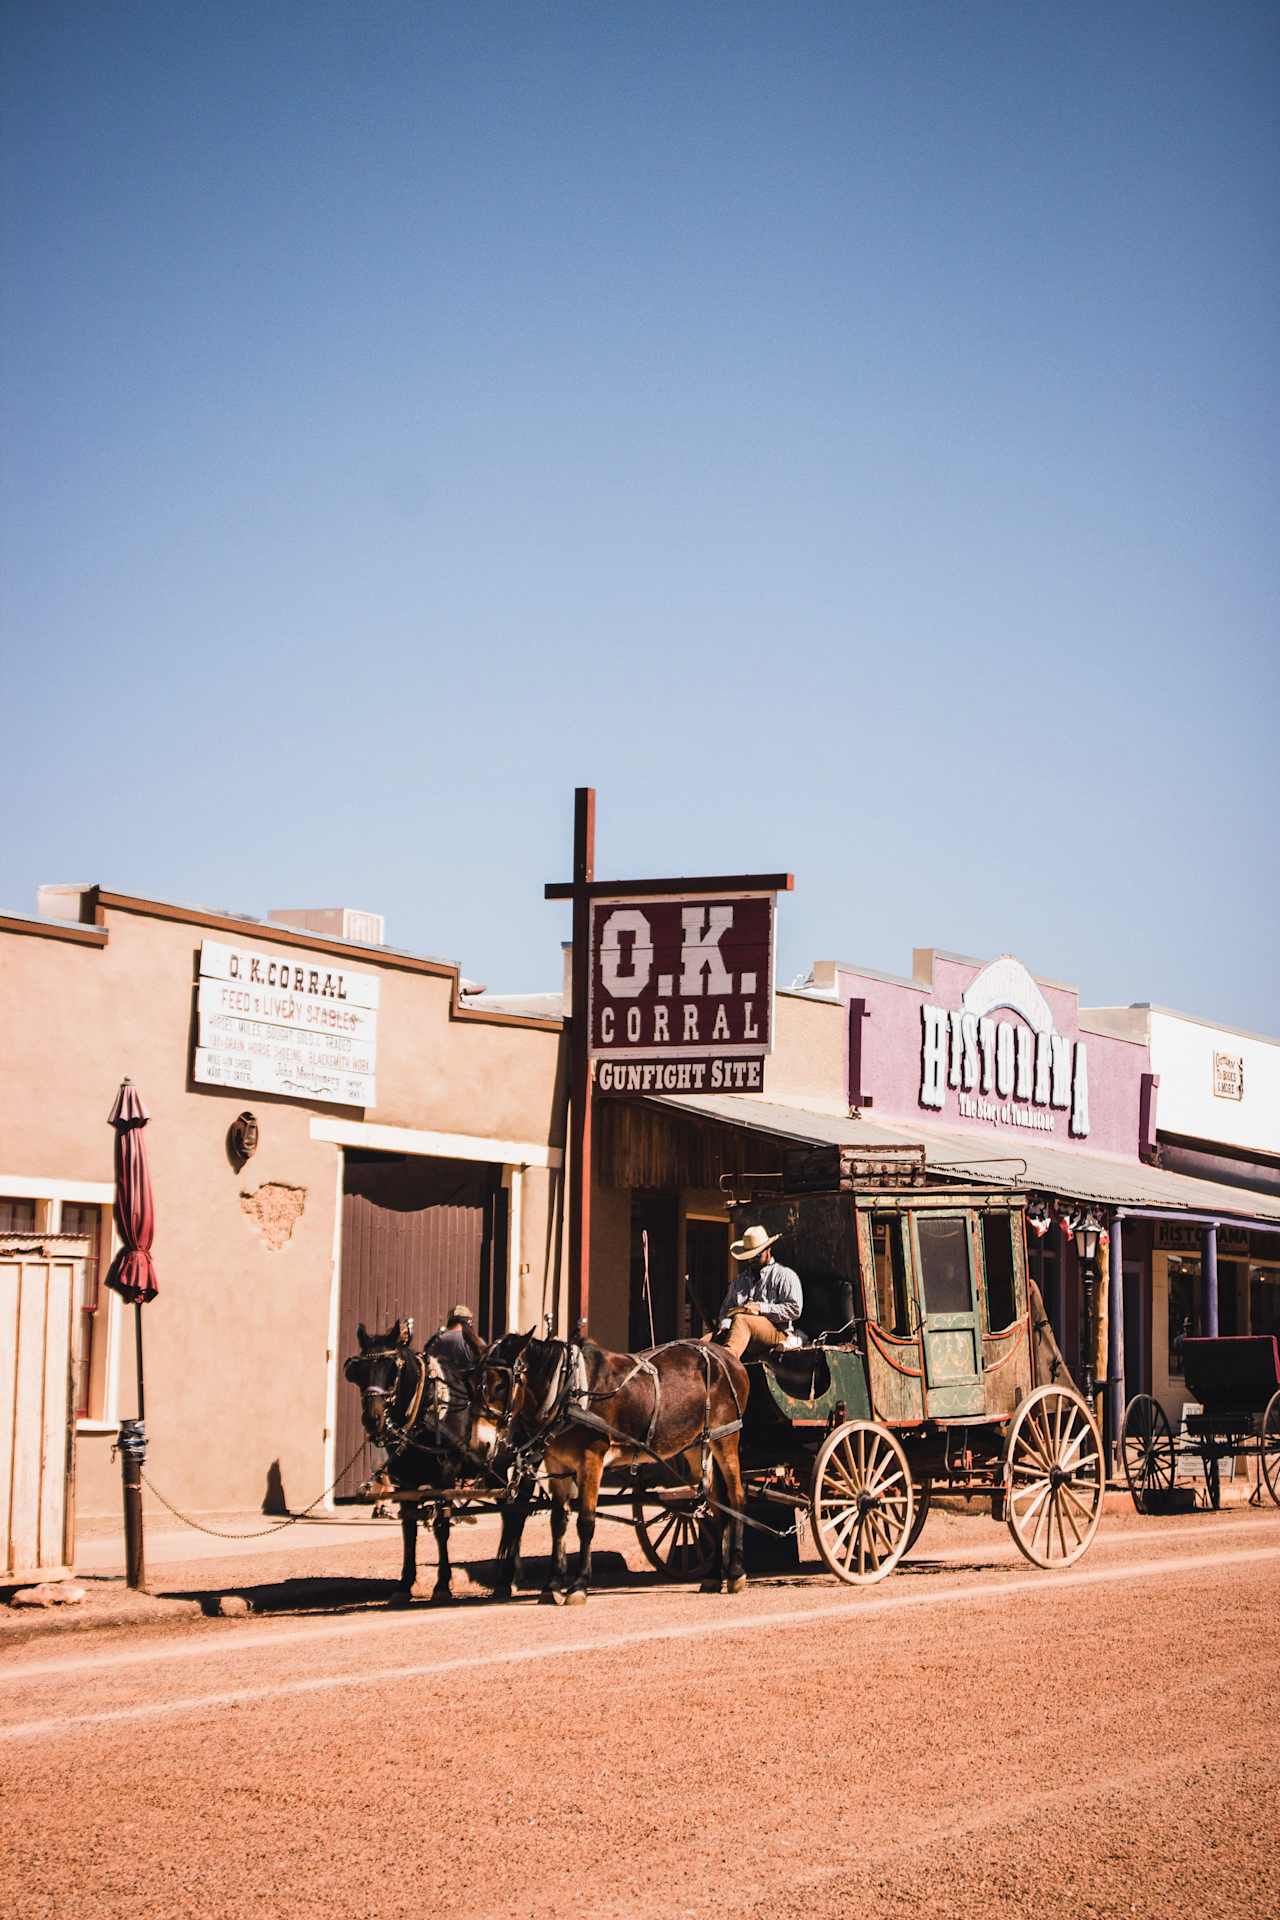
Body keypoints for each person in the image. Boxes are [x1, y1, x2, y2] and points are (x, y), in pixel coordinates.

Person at [711, 1224, 803, 1360]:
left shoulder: (784, 1275)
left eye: (757, 1255)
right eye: (749, 1256)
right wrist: (725, 1325)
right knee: (705, 1343)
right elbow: (726, 1310)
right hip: (738, 1330)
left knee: (742, 1320)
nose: (752, 1259)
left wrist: (760, 1308)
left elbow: (794, 1309)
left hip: (777, 1332)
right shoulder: (739, 1281)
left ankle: (727, 1362)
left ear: (768, 1249)